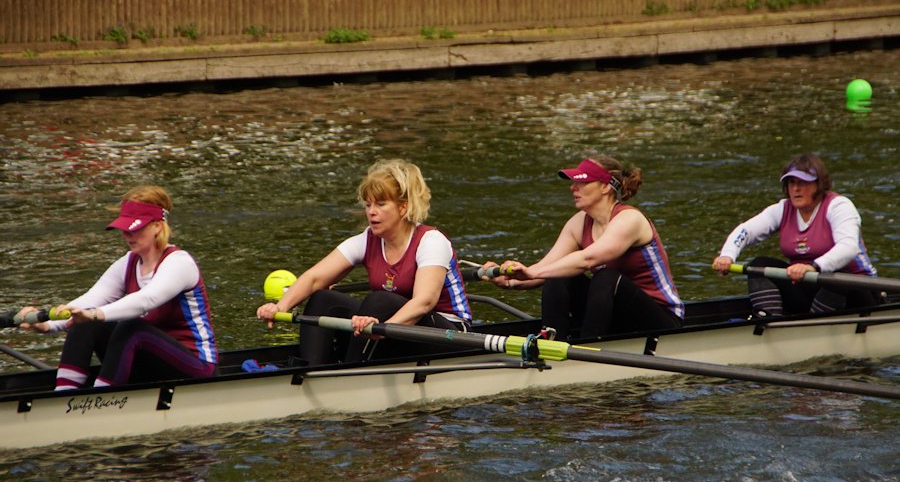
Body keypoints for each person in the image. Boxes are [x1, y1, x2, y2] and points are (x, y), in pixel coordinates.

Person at [256, 159, 472, 364]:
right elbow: (314, 278)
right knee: (323, 298)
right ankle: (310, 370)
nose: (371, 212)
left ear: (403, 207)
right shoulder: (367, 241)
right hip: (394, 327)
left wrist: (381, 329)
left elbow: (424, 302)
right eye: (368, 205)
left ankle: (350, 373)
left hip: (450, 335)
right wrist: (279, 307)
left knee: (379, 301)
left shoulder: (431, 241)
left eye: (380, 204)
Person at [17, 185, 218, 390]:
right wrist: (48, 324)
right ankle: (64, 394)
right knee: (85, 321)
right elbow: (92, 298)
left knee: (129, 326)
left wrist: (93, 314)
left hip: (195, 366)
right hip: (149, 360)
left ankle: (102, 401)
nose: (128, 235)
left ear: (157, 226)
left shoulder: (179, 263)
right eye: (124, 229)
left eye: (135, 228)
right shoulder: (128, 263)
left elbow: (145, 300)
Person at [482, 152, 684, 340]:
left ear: (606, 186)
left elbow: (588, 259)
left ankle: (586, 351)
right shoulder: (579, 222)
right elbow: (544, 269)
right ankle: (552, 345)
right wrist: (510, 280)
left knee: (606, 278)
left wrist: (532, 273)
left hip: (662, 320)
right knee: (558, 277)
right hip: (612, 314)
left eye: (583, 182)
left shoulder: (630, 219)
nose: (573, 187)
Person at [712, 153, 878, 316]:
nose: (796, 189)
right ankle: (768, 320)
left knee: (836, 279)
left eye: (803, 183)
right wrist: (727, 256)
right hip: (810, 287)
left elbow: (848, 247)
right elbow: (745, 231)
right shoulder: (783, 209)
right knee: (759, 265)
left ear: (818, 185)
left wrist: (813, 266)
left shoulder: (838, 206)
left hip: (858, 290)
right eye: (791, 183)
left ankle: (814, 329)